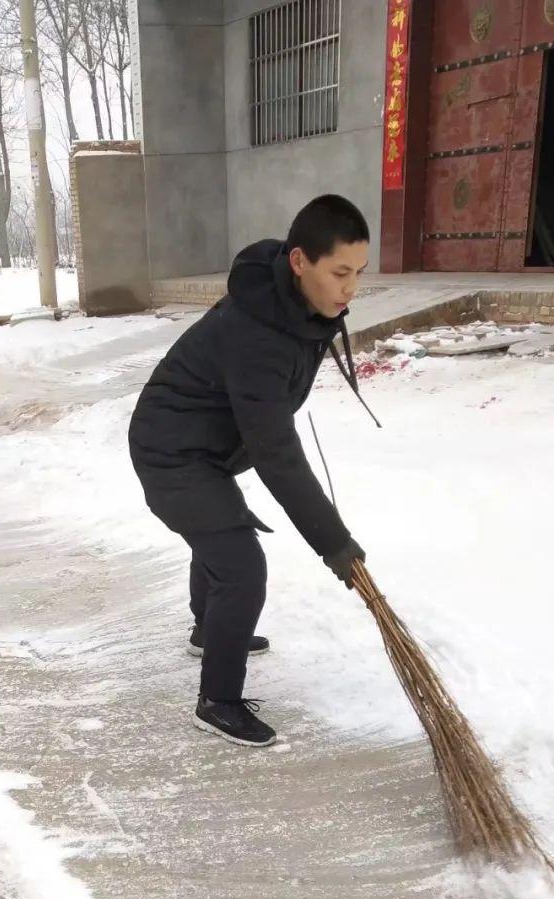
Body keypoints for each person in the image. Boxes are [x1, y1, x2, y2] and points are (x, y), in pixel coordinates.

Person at [129, 194, 377, 748]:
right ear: (298, 262)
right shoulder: (258, 333)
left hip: (206, 445)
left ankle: (207, 628)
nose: (349, 289)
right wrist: (335, 543)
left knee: (220, 531)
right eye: (339, 273)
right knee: (240, 562)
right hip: (170, 449)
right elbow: (276, 454)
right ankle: (218, 700)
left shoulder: (295, 306)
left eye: (358, 273)